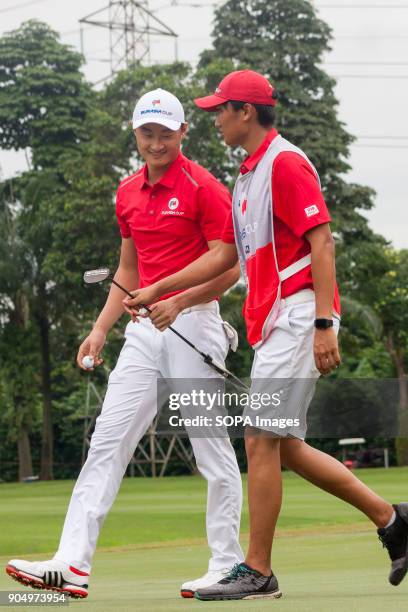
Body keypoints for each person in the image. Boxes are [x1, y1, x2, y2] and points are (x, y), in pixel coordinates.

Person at [125, 71, 408, 601]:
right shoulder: (249, 175)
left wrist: (325, 324)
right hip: (275, 322)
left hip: (300, 315)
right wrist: (167, 293)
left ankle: (258, 570)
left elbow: (321, 243)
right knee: (283, 447)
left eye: (220, 111)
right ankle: (393, 520)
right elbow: (226, 256)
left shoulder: (285, 163)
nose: (215, 119)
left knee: (259, 438)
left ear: (246, 112)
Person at [6, 88, 244, 599]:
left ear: (184, 132)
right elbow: (129, 270)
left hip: (193, 323)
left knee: (210, 448)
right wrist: (100, 329)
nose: (155, 143)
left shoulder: (205, 188)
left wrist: (175, 299)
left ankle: (228, 563)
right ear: (135, 133)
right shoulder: (127, 192)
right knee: (107, 443)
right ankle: (71, 563)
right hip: (142, 332)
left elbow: (229, 263)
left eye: (165, 133)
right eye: (146, 133)